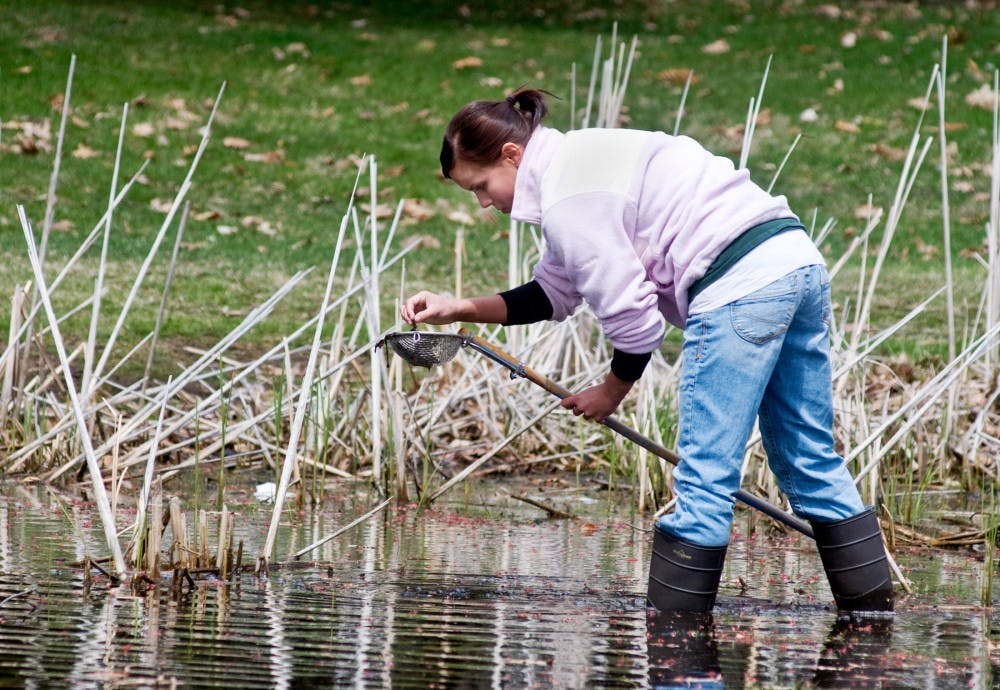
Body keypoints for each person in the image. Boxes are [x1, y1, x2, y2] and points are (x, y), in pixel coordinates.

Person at [400, 88, 893, 614]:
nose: (483, 202)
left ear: (511, 155)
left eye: (480, 185)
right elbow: (553, 291)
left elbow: (633, 318)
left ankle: (677, 646)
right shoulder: (579, 157)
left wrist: (611, 391)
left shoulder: (569, 197)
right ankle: (871, 624)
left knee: (705, 479)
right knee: (809, 456)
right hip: (795, 263)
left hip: (736, 287)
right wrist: (459, 309)